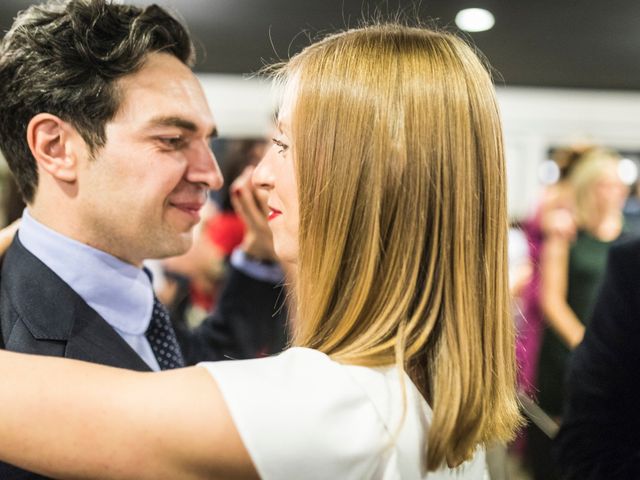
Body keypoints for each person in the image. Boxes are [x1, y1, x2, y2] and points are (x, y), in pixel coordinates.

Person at [0, 22, 521, 479]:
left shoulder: (339, 407)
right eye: (171, 140)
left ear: (364, 185)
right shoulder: (420, 389)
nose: (243, 176)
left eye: (286, 146)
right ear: (55, 148)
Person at [0, 1, 285, 476]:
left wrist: (256, 256)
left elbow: (190, 378)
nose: (212, 174)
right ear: (56, 148)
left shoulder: (130, 289)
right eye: (172, 140)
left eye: (205, 140)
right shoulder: (18, 349)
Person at [530, 148, 628, 479]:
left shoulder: (629, 237)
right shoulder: (568, 233)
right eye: (606, 184)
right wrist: (587, 343)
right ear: (589, 187)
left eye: (619, 184)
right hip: (569, 350)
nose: (616, 191)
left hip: (612, 351)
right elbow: (551, 300)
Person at [553, 236, 640, 479]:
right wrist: (579, 339)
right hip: (570, 348)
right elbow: (586, 441)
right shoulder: (629, 265)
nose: (618, 194)